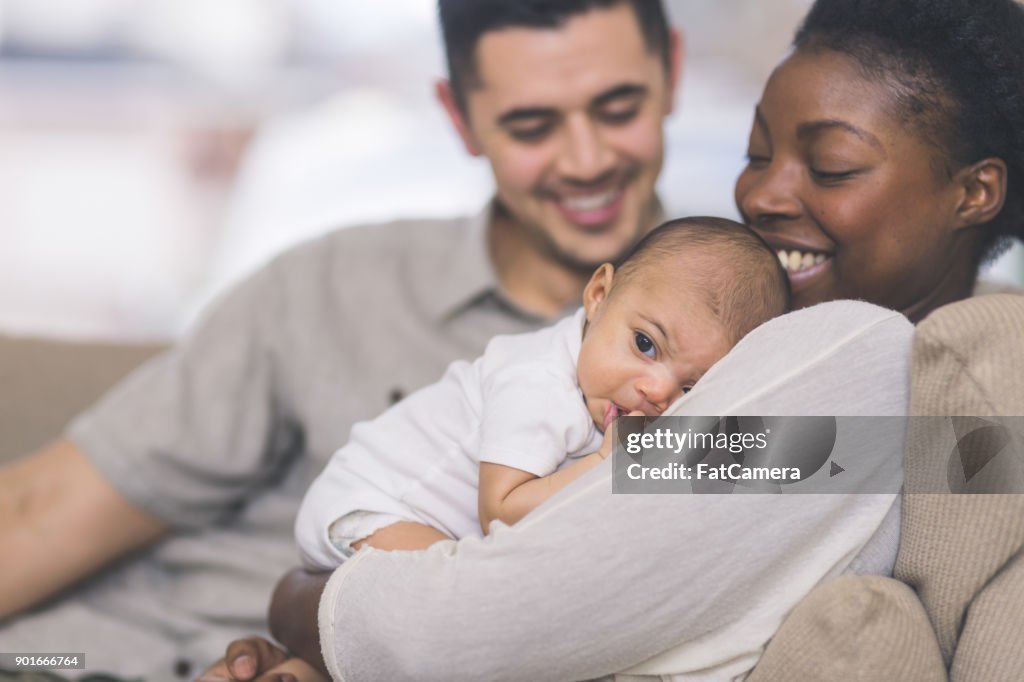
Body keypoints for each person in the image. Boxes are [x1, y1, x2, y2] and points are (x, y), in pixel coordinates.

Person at [212, 0, 1023, 680]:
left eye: (835, 166)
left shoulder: (862, 373)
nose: (763, 194)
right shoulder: (766, 368)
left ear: (976, 190)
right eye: (755, 153)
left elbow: (457, 629)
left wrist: (303, 601)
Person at [0, 0, 682, 679]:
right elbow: (42, 508)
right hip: (68, 655)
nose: (587, 159)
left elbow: (771, 467)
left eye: (618, 109)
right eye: (531, 126)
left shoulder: (740, 341)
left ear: (673, 74)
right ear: (460, 119)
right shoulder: (331, 283)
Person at [296, 218, 789, 569]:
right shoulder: (539, 382)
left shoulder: (606, 397)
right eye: (645, 344)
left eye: (692, 387)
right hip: (370, 504)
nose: (658, 392)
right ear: (598, 296)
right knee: (464, 601)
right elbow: (503, 511)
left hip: (420, 522)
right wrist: (604, 466)